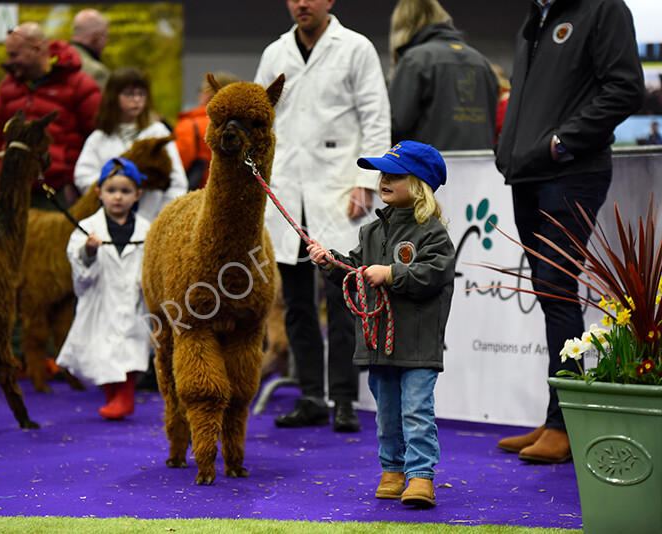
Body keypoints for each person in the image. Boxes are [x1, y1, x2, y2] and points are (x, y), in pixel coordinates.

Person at [494, 0, 645, 463]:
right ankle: (558, 413)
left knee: (557, 289)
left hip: (570, 171)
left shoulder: (601, 8)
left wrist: (561, 145)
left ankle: (566, 424)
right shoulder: (537, 16)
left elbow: (625, 89)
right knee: (548, 291)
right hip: (529, 175)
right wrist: (512, 151)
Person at [254, 0, 391, 433]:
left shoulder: (355, 47)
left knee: (343, 297)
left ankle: (346, 399)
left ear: (329, 1)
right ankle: (312, 395)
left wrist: (366, 181)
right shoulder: (275, 53)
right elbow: (259, 117)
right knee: (295, 302)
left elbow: (376, 117)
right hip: (287, 192)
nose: (302, 3)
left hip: (338, 190)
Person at [307, 141, 454, 508]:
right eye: (382, 173)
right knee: (386, 414)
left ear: (419, 184)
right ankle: (393, 470)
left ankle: (421, 476)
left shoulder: (432, 234)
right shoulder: (371, 233)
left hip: (417, 346)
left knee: (416, 411)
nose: (383, 180)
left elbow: (434, 273)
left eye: (394, 175)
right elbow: (355, 271)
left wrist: (391, 273)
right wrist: (329, 262)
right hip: (377, 345)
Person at [56, 157, 151, 420]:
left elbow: (156, 260)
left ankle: (125, 398)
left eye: (125, 191)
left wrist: (150, 280)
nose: (118, 197)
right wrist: (88, 252)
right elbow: (77, 266)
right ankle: (114, 397)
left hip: (133, 301)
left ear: (137, 195)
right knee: (103, 351)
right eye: (111, 191)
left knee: (130, 347)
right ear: (99, 193)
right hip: (102, 300)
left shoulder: (148, 229)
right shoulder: (87, 228)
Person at [0, 22, 101, 209]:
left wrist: (82, 188)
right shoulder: (8, 88)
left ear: (36, 49)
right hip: (12, 193)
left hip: (59, 197)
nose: (9, 61)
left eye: (14, 55)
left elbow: (98, 139)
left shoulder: (80, 85)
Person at [74, 67, 187, 223]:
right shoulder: (99, 137)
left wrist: (161, 218)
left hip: (151, 221)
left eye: (141, 94)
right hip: (108, 223)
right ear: (113, 97)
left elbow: (177, 182)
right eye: (129, 94)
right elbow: (83, 176)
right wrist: (113, 190)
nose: (137, 100)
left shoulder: (157, 133)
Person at [387, 0, 499, 150]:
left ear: (403, 25)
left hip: (430, 167)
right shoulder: (481, 62)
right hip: (479, 165)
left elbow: (396, 125)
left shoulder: (415, 60)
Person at [173, 71, 241, 190]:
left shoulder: (191, 126)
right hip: (233, 196)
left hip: (198, 199)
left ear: (207, 94)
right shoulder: (242, 128)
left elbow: (173, 168)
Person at [70, 9, 110, 90]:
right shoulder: (97, 73)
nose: (106, 42)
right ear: (96, 37)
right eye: (106, 36)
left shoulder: (54, 62)